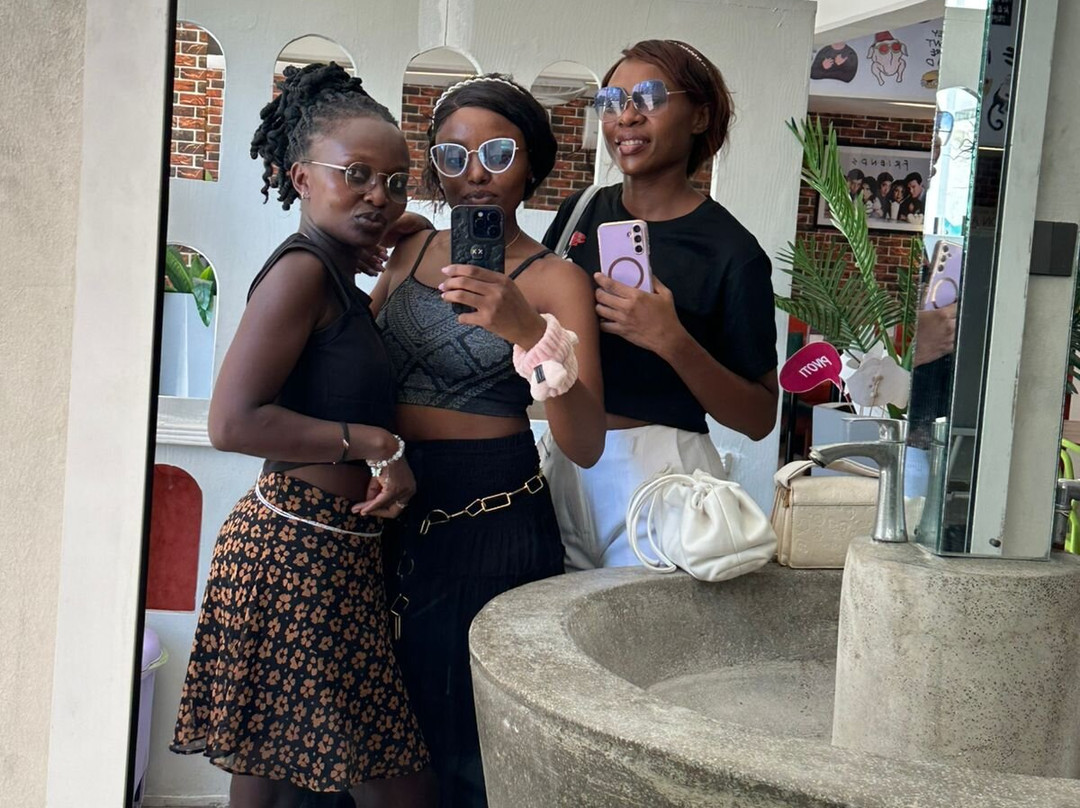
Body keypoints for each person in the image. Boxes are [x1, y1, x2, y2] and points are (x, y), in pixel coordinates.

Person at [170, 63, 436, 808]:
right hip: (294, 556)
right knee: (393, 782)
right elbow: (232, 422)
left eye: (396, 182)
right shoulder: (302, 274)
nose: (378, 195)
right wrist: (377, 444)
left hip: (323, 554)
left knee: (273, 775)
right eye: (357, 175)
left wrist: (403, 230)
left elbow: (395, 225)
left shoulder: (333, 272)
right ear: (301, 177)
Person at [370, 74, 605, 806]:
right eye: (453, 155)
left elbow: (585, 441)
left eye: (498, 153)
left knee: (465, 739)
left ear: (531, 165)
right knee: (379, 730)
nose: (475, 173)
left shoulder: (556, 280)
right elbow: (357, 360)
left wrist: (530, 332)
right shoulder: (408, 249)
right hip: (387, 502)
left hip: (491, 516)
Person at [540, 40, 779, 571]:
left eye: (649, 98)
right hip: (568, 460)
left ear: (700, 117)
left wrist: (672, 340)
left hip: (665, 478)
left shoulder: (730, 251)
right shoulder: (581, 211)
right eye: (611, 101)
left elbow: (760, 416)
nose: (625, 117)